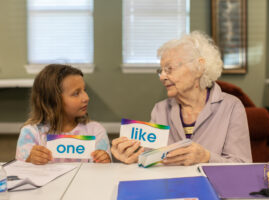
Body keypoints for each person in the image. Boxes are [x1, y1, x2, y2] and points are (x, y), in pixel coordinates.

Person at [111, 31, 252, 165]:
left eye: (169, 69)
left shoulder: (231, 107)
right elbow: (150, 159)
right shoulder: (160, 110)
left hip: (213, 188)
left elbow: (242, 165)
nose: (162, 77)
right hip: (170, 188)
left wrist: (206, 157)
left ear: (199, 67)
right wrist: (133, 157)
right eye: (161, 71)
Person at [15, 64, 111, 165]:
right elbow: (18, 172)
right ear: (52, 100)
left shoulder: (95, 131)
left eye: (84, 90)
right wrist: (30, 159)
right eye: (76, 93)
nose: (86, 98)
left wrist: (104, 160)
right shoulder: (31, 133)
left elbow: (104, 171)